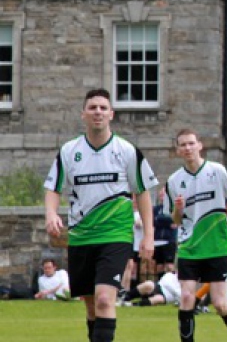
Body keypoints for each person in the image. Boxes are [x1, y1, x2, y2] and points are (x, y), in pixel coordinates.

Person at [44, 88, 158, 342]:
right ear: (83, 114)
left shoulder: (127, 151)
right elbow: (53, 188)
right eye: (93, 107)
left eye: (103, 108)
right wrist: (51, 213)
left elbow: (142, 193)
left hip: (115, 235)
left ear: (111, 115)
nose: (98, 112)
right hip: (81, 236)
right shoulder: (68, 151)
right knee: (91, 306)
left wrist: (148, 236)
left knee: (106, 299)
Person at [163, 129, 227, 342]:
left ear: (200, 145)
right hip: (189, 247)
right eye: (183, 145)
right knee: (186, 297)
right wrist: (179, 209)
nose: (188, 148)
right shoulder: (174, 181)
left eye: (191, 143)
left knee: (220, 303)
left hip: (217, 246)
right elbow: (175, 220)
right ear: (177, 150)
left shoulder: (217, 171)